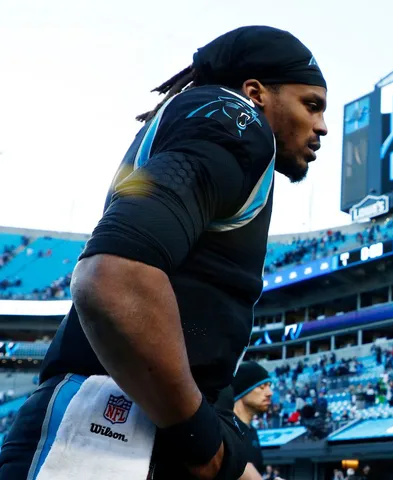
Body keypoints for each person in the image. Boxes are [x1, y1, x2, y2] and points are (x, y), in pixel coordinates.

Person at [0, 25, 327, 480]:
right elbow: (114, 278)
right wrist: (201, 442)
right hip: (110, 432)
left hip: (135, 425)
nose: (322, 126)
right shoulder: (237, 122)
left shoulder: (201, 125)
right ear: (254, 93)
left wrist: (220, 454)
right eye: (311, 105)